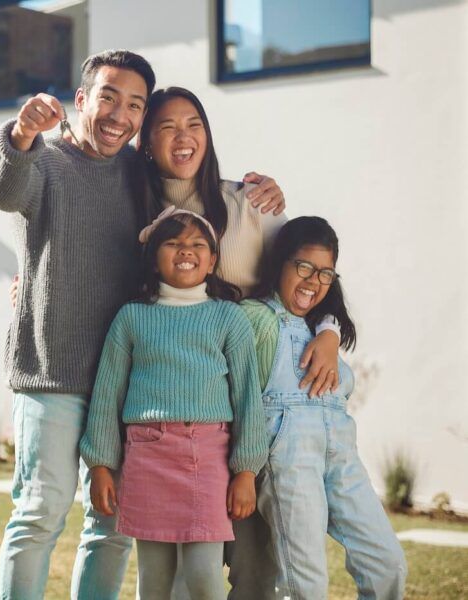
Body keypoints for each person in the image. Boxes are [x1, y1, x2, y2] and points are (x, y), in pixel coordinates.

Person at [0, 49, 284, 599]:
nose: (120, 114)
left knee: (111, 529)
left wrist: (259, 189)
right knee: (39, 515)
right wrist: (21, 132)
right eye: (108, 97)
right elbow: (0, 191)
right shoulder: (43, 161)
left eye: (135, 105)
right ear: (81, 100)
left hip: (124, 387)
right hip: (52, 372)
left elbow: (189, 180)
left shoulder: (138, 175)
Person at [132, 86, 345, 599]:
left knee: (254, 567)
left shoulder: (249, 202)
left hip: (254, 408)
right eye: (166, 127)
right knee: (184, 568)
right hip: (182, 414)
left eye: (194, 124)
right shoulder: (133, 214)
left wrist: (331, 327)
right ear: (146, 144)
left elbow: (312, 272)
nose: (183, 138)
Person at [80, 209, 268, 599]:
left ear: (213, 260)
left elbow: (248, 396)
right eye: (174, 242)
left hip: (207, 457)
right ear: (154, 257)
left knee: (203, 576)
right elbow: (107, 395)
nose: (186, 250)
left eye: (198, 244)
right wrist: (100, 464)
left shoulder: (228, 318)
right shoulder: (132, 318)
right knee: (154, 580)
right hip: (147, 457)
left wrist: (247, 470)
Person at [241, 216, 408, 599]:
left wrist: (330, 329)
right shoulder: (255, 319)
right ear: (279, 261)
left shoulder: (323, 327)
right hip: (289, 457)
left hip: (342, 455)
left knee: (388, 564)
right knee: (306, 585)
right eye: (304, 267)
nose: (313, 281)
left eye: (326, 273)